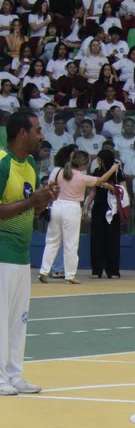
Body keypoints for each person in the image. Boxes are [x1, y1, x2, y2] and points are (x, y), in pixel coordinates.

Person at [0, 111, 56, 396]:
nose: (41, 136)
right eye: (37, 130)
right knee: (0, 317)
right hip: (1, 252)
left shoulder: (31, 164)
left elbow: (31, 207)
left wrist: (44, 201)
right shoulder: (1, 163)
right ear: (22, 133)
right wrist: (31, 201)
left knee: (18, 318)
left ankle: (14, 374)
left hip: (21, 253)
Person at [40, 146, 117, 285]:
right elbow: (101, 180)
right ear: (84, 164)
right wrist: (112, 169)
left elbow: (50, 184)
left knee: (52, 241)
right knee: (71, 243)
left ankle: (44, 270)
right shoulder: (82, 177)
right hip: (72, 208)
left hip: (57, 205)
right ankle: (70, 275)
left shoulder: (60, 172)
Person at [86, 149, 127, 279]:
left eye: (100, 160)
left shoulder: (117, 172)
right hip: (98, 207)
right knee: (96, 239)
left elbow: (123, 190)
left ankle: (113, 270)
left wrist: (111, 187)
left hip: (112, 209)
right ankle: (96, 269)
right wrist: (86, 206)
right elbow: (93, 190)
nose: (98, 163)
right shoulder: (97, 172)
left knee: (112, 239)